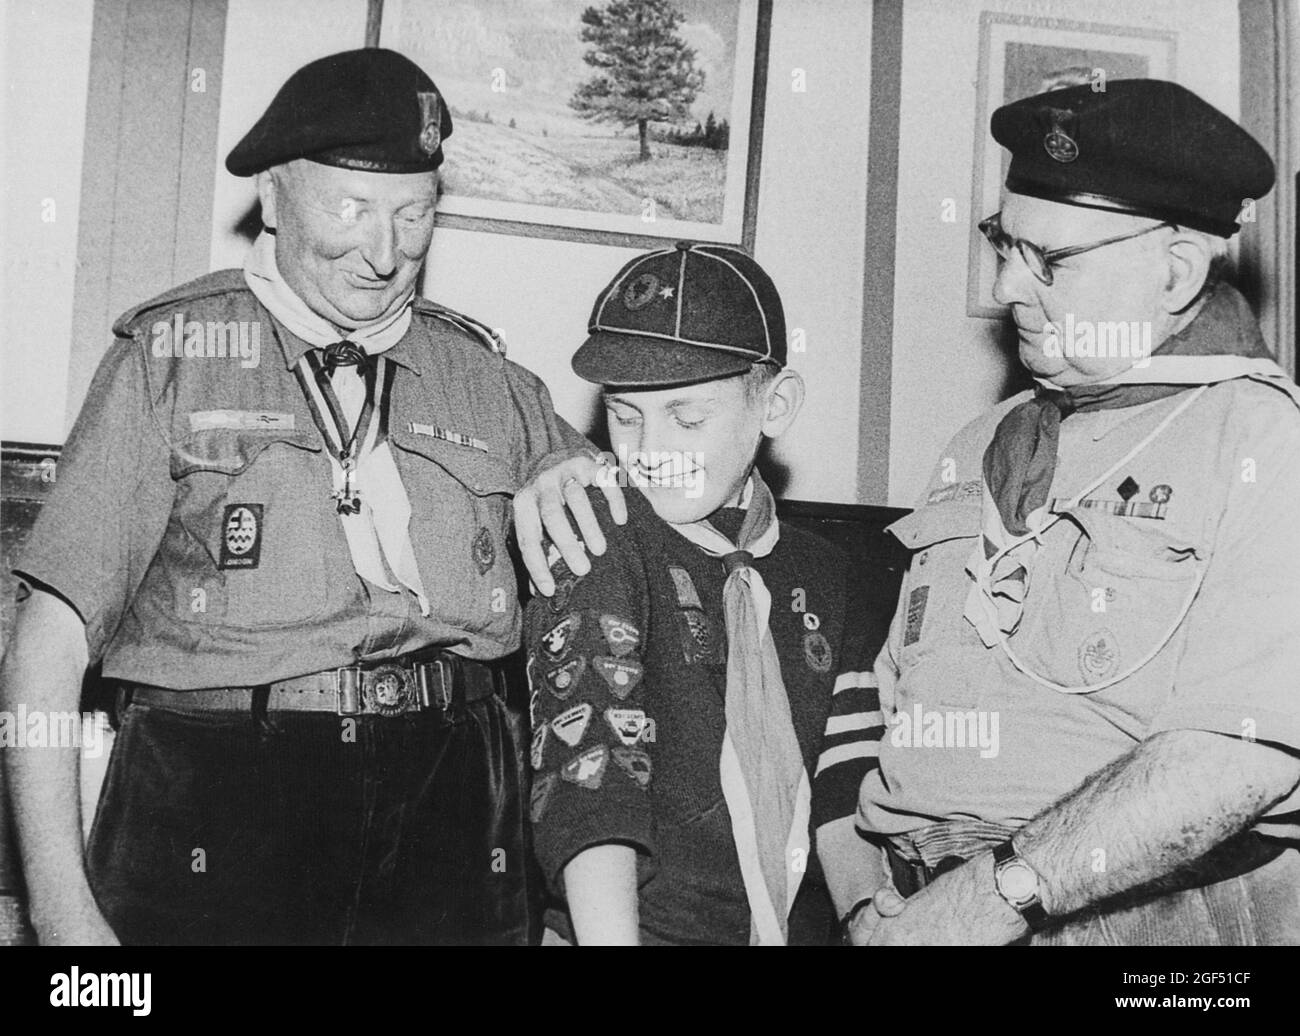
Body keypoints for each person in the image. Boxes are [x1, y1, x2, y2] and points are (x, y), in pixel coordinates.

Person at [0, 48, 602, 946]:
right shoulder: (169, 357)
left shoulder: (491, 380)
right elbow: (48, 643)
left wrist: (583, 464)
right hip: (220, 801)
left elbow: (633, 555)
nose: (386, 253)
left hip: (457, 798)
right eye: (353, 210)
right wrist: (58, 911)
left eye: (415, 214)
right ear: (274, 199)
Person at [844, 79, 1300, 944]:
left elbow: (1238, 758)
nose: (1008, 285)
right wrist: (872, 904)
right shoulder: (980, 442)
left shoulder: (1263, 442)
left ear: (1173, 272)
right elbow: (893, 710)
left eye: (1050, 259)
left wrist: (987, 898)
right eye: (1003, 243)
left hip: (1141, 923)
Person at [524, 243, 885, 945]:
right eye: (625, 417)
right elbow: (588, 768)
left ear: (775, 404)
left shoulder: (829, 574)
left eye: (687, 420)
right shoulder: (600, 535)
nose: (649, 448)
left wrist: (867, 910)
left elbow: (844, 777)